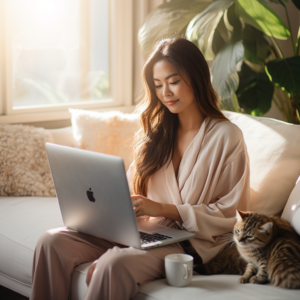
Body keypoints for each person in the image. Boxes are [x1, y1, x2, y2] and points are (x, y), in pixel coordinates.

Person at [30, 37, 250, 300]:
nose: (165, 92)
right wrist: (116, 208)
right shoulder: (157, 133)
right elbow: (131, 187)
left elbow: (230, 214)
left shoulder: (227, 136)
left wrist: (163, 209)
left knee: (113, 265)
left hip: (187, 242)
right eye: (158, 85)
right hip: (144, 231)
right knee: (51, 242)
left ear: (197, 76)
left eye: (173, 81)